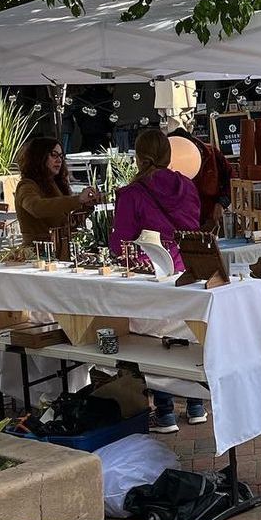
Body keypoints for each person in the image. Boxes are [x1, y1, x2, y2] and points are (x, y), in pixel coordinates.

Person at [109, 129, 207, 432]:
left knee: (153, 342)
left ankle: (164, 411)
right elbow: (192, 225)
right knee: (187, 335)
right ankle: (196, 404)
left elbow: (118, 244)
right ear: (168, 155)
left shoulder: (132, 194)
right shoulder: (187, 186)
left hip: (151, 273)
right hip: (186, 270)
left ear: (138, 157)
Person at [14, 137, 101, 255]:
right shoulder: (27, 185)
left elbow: (66, 223)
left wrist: (86, 206)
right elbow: (37, 208)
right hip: (37, 256)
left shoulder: (56, 184)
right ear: (39, 157)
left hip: (60, 253)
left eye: (61, 156)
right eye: (54, 155)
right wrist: (78, 199)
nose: (59, 160)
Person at [167, 126, 231, 231]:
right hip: (179, 224)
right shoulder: (166, 161)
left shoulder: (212, 155)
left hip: (211, 220)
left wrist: (221, 203)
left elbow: (231, 179)